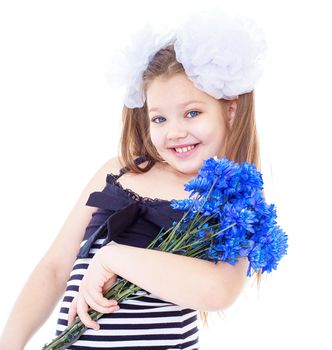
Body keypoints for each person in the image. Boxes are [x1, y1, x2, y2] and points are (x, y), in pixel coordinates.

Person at [0, 8, 267, 350]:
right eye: (159, 119)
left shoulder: (232, 198)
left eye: (193, 113)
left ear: (229, 110)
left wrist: (114, 257)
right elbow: (54, 269)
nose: (175, 132)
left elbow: (218, 291)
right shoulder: (119, 171)